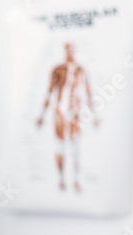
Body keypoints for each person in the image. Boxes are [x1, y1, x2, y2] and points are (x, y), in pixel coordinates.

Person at [35, 41, 99, 193]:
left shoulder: (80, 70)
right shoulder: (57, 69)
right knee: (60, 145)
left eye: (72, 49)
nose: (70, 52)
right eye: (67, 49)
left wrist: (94, 114)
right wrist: (42, 115)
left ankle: (76, 180)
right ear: (65, 50)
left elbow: (88, 91)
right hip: (59, 111)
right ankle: (61, 180)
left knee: (75, 145)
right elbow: (49, 92)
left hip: (74, 111)